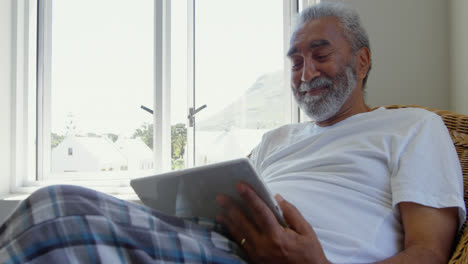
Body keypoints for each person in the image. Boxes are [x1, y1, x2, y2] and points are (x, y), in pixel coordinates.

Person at [0, 2, 465, 264]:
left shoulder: (413, 127)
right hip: (219, 239)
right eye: (295, 60)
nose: (305, 72)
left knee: (63, 228)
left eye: (319, 54)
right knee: (54, 203)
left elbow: (429, 252)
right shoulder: (278, 139)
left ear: (361, 61)